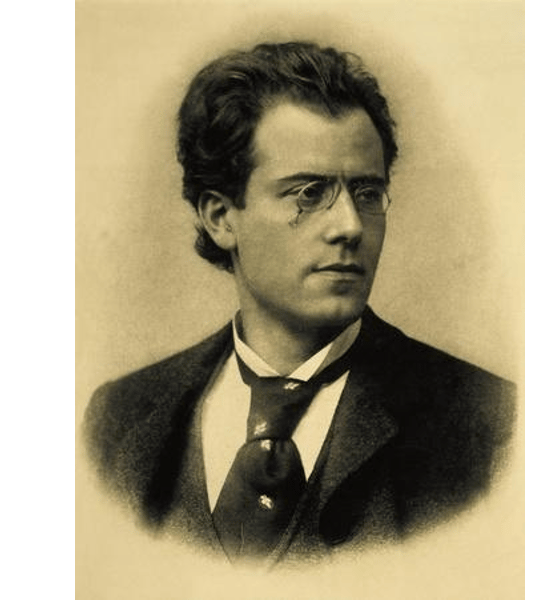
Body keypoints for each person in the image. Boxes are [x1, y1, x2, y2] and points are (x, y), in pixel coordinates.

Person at [84, 41, 515, 567]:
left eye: (367, 194)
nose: (350, 227)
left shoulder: (491, 427)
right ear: (221, 218)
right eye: (308, 194)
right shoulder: (121, 420)